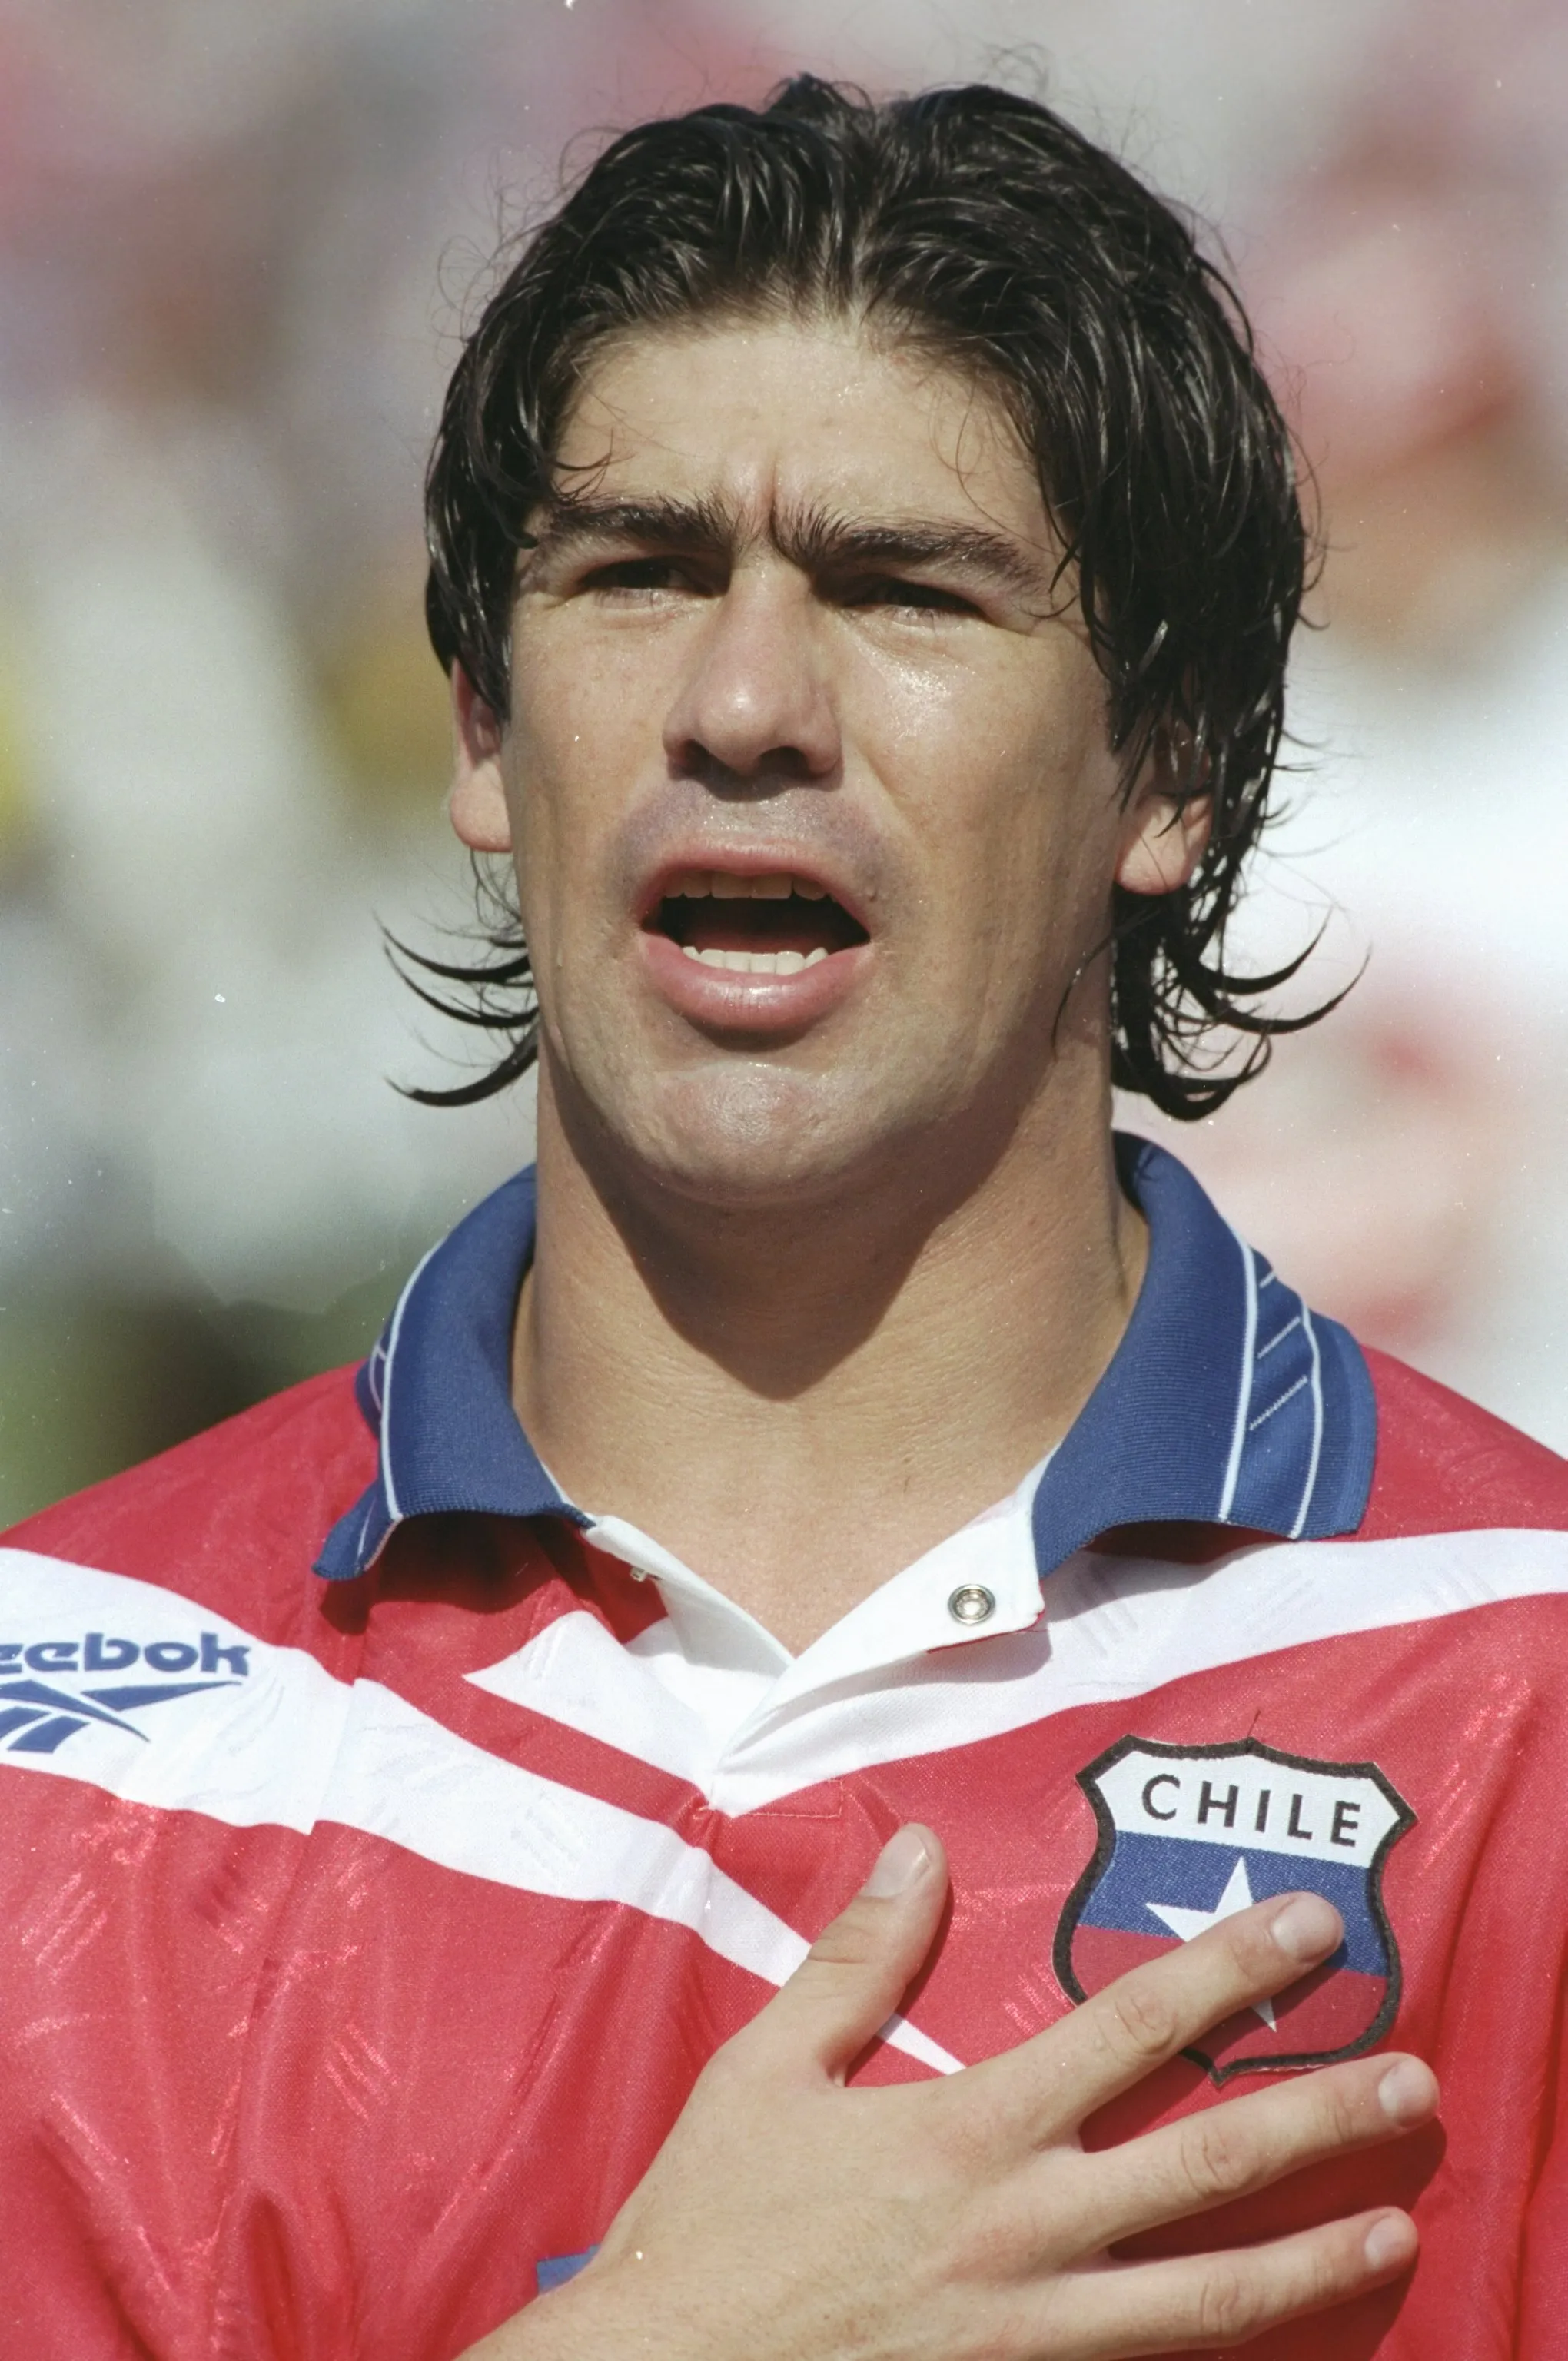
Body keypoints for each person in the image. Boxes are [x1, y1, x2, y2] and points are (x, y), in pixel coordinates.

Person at [1, 75, 1563, 2361]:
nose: (744, 703)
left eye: (901, 586)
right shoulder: (61, 1740)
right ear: (477, 718)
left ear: (1176, 762)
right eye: (634, 574)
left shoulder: (1526, 1696)